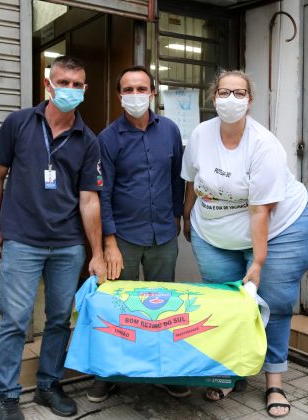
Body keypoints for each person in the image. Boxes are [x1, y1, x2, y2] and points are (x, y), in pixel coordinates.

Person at [181, 70, 308, 418]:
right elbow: (191, 181)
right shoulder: (200, 134)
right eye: (224, 92)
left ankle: (274, 380)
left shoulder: (263, 145)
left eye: (239, 93)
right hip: (215, 231)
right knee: (223, 303)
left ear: (250, 100)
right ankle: (229, 372)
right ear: (213, 97)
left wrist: (257, 263)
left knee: (270, 301)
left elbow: (261, 212)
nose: (231, 99)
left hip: (280, 228)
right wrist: (186, 217)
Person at [0, 55, 106, 420]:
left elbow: (89, 199)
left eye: (76, 84)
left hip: (67, 245)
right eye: (63, 82)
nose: (69, 89)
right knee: (14, 320)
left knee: (58, 319)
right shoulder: (18, 123)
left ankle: (48, 385)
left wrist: (96, 252)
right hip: (22, 240)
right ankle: (6, 396)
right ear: (48, 85)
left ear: (85, 89)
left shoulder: (88, 139)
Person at [86, 65, 187, 403]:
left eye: (141, 88)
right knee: (119, 309)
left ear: (153, 93)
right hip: (124, 239)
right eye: (128, 89)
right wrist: (109, 243)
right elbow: (103, 194)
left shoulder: (170, 130)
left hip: (163, 236)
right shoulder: (107, 138)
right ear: (119, 96)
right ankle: (109, 374)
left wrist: (176, 218)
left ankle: (165, 372)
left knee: (164, 309)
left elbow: (177, 179)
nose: (135, 95)